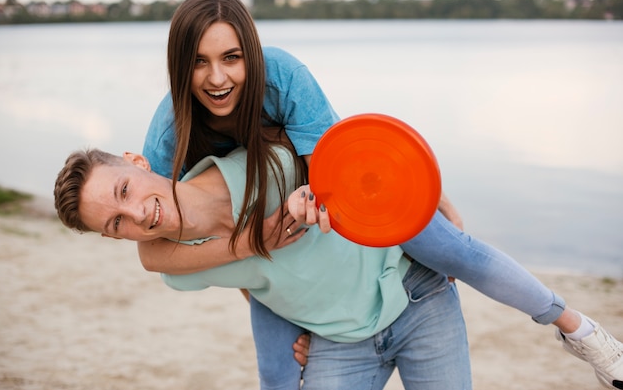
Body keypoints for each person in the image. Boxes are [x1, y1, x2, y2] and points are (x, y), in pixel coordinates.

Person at [139, 0, 623, 390]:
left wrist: (426, 193)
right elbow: (161, 248)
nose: (217, 78)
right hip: (265, 246)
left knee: (453, 248)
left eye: (231, 58)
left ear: (252, 54)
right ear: (180, 66)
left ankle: (579, 329)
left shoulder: (282, 75)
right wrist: (268, 278)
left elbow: (331, 174)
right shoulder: (170, 134)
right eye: (199, 63)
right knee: (277, 375)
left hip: (332, 187)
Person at [53, 144, 473, 390]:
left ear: (137, 161)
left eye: (124, 190)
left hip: (417, 293)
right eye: (116, 222)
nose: (138, 214)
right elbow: (247, 278)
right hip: (341, 337)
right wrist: (302, 320)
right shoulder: (177, 266)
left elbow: (352, 160)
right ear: (112, 237)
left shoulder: (263, 160)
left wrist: (435, 198)